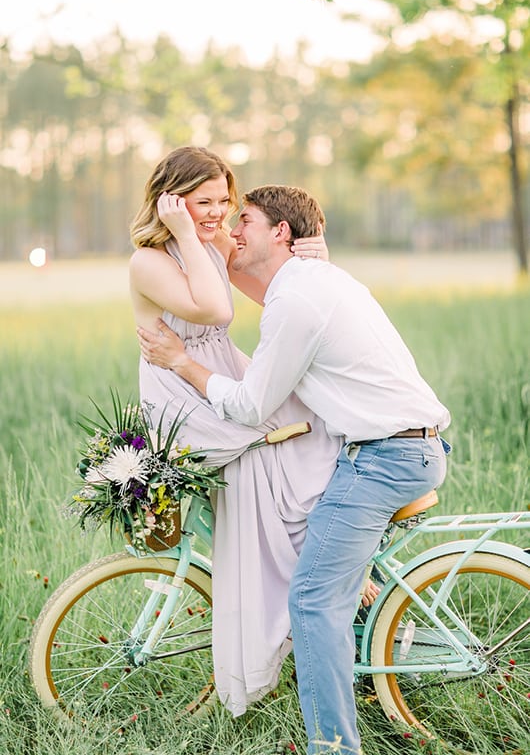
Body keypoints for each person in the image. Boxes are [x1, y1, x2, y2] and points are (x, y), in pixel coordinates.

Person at [138, 184, 451, 755]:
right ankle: (369, 618)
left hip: (385, 458)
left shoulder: (297, 300)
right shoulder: (309, 281)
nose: (232, 231)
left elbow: (251, 406)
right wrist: (193, 233)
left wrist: (182, 363)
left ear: (280, 232)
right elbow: (226, 282)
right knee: (318, 546)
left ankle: (332, 747)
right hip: (399, 447)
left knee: (309, 597)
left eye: (246, 221)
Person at [129, 147, 372, 719]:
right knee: (264, 471)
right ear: (170, 200)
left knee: (319, 425)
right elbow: (213, 309)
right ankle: (322, 573)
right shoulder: (148, 259)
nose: (216, 213)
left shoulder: (207, 243)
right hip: (181, 393)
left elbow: (272, 287)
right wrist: (187, 232)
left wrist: (313, 257)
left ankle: (335, 558)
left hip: (218, 371)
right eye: (202, 201)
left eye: (223, 202)